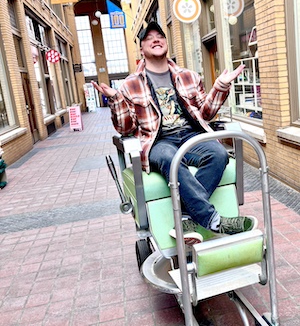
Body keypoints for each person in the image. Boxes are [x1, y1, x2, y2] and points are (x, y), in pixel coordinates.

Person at [92, 21, 257, 245]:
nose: (155, 40)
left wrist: (220, 87)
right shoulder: (130, 85)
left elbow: (206, 114)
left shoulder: (188, 76)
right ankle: (215, 221)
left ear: (167, 43)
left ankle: (186, 218)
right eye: (149, 38)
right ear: (141, 49)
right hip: (158, 141)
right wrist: (115, 101)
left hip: (190, 135)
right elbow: (126, 129)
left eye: (159, 36)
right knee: (172, 159)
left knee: (218, 154)